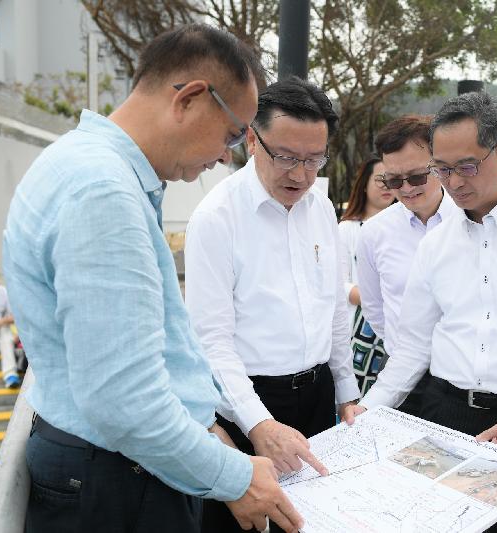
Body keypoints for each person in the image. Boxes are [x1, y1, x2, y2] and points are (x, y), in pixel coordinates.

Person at [3, 24, 303, 533]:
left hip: (115, 466)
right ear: (188, 98)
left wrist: (208, 433)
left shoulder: (84, 167)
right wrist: (233, 477)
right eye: (233, 134)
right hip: (119, 478)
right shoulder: (103, 193)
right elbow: (122, 401)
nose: (227, 156)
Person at [346, 91, 497, 532]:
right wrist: (370, 409)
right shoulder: (435, 245)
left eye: (467, 166)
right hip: (444, 418)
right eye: (443, 168)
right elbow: (413, 345)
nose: (455, 182)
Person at [184, 76, 361, 533]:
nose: (300, 175)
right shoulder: (216, 218)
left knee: (313, 521)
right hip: (247, 406)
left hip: (318, 394)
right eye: (285, 157)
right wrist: (260, 424)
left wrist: (348, 393)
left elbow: (334, 310)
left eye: (313, 159)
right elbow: (212, 341)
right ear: (251, 139)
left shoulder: (321, 208)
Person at [354, 114, 459, 415]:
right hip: (399, 376)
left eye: (416, 176)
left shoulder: (471, 222)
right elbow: (375, 309)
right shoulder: (374, 234)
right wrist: (403, 348)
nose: (407, 188)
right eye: (394, 180)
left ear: (438, 165)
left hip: (457, 382)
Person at [338, 155, 395, 393]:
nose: (386, 186)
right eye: (380, 180)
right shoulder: (347, 229)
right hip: (360, 325)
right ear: (364, 183)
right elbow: (336, 281)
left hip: (396, 322)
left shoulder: (404, 228)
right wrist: (368, 297)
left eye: (392, 180)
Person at [0, 268, 19, 388]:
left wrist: (0, 321)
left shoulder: (3, 292)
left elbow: (14, 317)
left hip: (0, 329)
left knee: (6, 337)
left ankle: (10, 375)